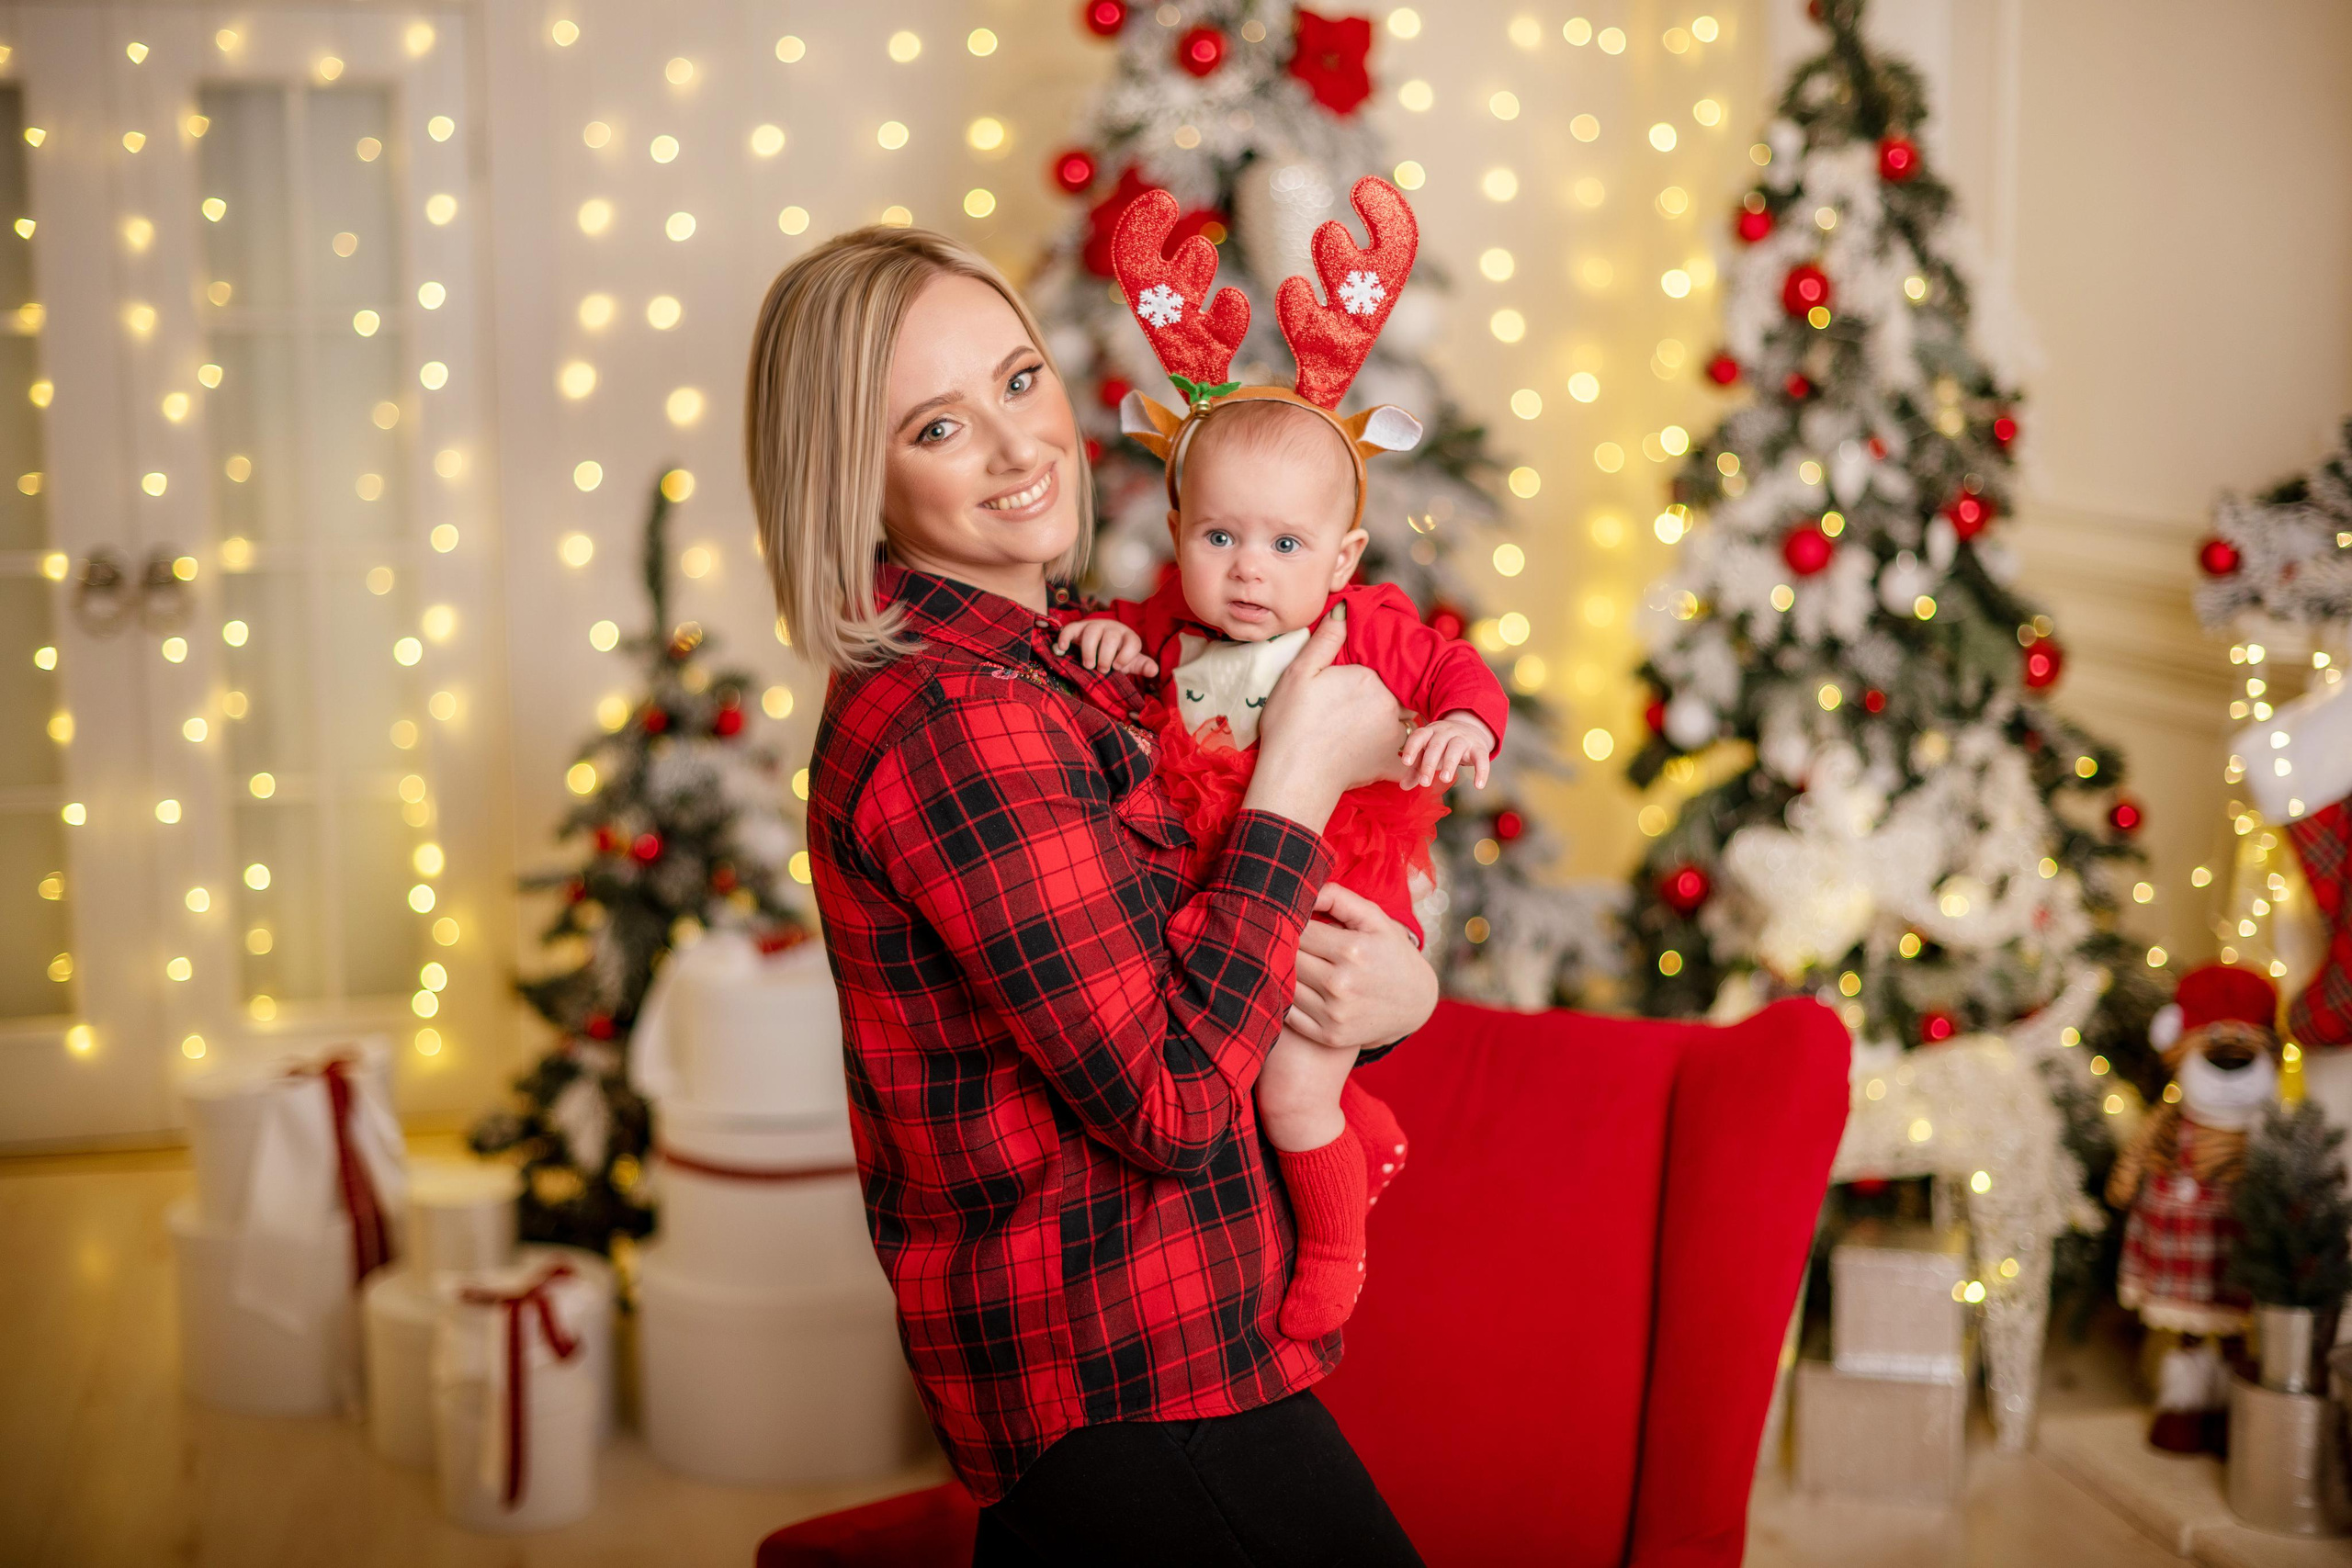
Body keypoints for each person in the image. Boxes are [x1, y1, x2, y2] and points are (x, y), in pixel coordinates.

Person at [744, 222, 1435, 1566]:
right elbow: (1174, 1096)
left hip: (1183, 1348)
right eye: (935, 429)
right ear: (855, 480)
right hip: (1126, 1378)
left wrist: (1390, 996)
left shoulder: (1070, 660)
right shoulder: (962, 720)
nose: (1020, 448)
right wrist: (1296, 771)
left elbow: (1207, 955)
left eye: (1016, 380)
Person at [1051, 175, 1501, 1340]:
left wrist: (1464, 725)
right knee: (1236, 1085)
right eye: (1219, 537)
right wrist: (1103, 637)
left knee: (1294, 1085)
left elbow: (1456, 672)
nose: (1249, 570)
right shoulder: (1167, 625)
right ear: (1175, 534)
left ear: (1343, 554)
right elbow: (1113, 664)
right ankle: (1366, 1139)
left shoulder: (1365, 630)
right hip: (1226, 906)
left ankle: (1339, 1246)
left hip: (1335, 901)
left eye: (1285, 543)